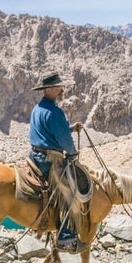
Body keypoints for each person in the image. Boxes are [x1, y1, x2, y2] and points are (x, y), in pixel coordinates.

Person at [28, 72, 84, 251]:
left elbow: (50, 130)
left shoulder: (38, 108)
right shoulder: (55, 111)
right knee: (69, 193)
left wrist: (70, 128)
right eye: (59, 87)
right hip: (50, 160)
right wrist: (73, 153)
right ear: (49, 89)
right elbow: (63, 140)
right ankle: (65, 237)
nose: (62, 89)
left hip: (35, 156)